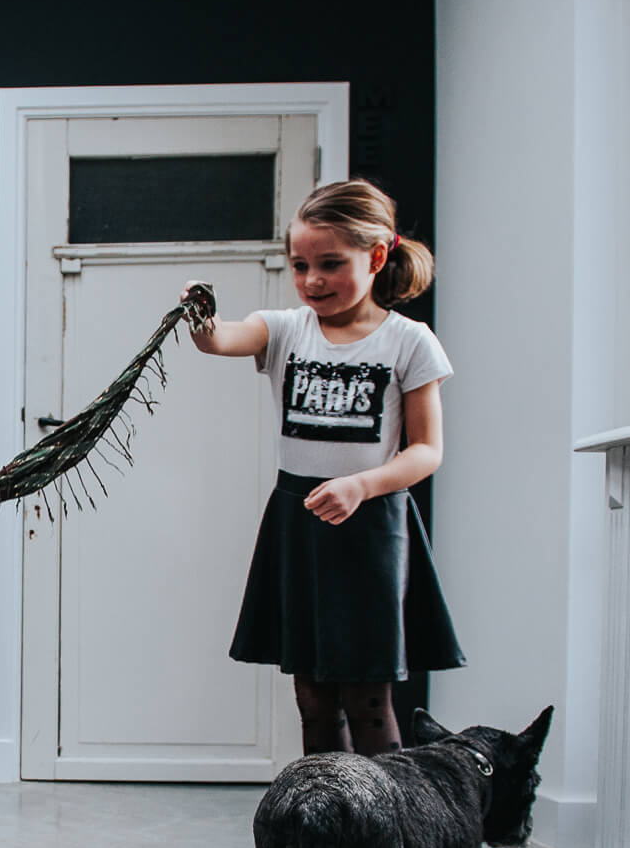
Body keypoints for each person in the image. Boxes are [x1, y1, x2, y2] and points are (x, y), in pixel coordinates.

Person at [181, 178, 464, 757]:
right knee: (313, 698)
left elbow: (426, 451)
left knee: (367, 698)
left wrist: (361, 485)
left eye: (331, 264)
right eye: (300, 265)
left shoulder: (409, 342)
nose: (312, 280)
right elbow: (219, 340)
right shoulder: (285, 329)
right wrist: (202, 317)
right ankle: (327, 807)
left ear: (376, 257)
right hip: (299, 523)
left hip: (371, 527)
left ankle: (389, 812)